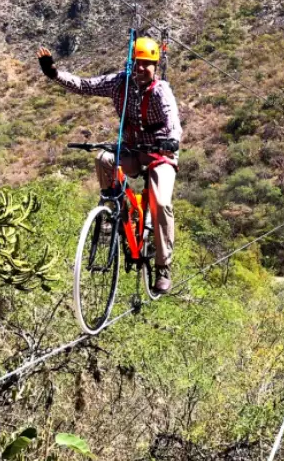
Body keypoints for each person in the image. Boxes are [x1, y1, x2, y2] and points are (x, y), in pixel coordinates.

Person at [37, 38, 182, 293]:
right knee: (103, 159)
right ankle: (116, 212)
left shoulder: (161, 91)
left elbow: (172, 119)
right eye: (138, 63)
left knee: (160, 203)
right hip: (130, 150)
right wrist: (54, 73)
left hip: (160, 153)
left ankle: (163, 266)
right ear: (131, 63)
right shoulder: (119, 83)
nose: (141, 69)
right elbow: (84, 85)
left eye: (147, 64)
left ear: (155, 67)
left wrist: (171, 141)